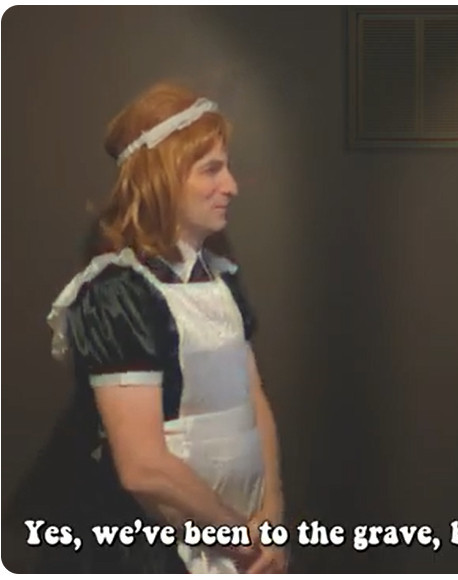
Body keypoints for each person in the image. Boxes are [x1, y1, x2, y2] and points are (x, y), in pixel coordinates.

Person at [45, 82, 286, 573]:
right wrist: (239, 538)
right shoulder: (118, 294)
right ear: (162, 177)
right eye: (211, 169)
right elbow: (143, 467)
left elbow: (254, 399)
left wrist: (273, 517)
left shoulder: (221, 278)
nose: (232, 186)